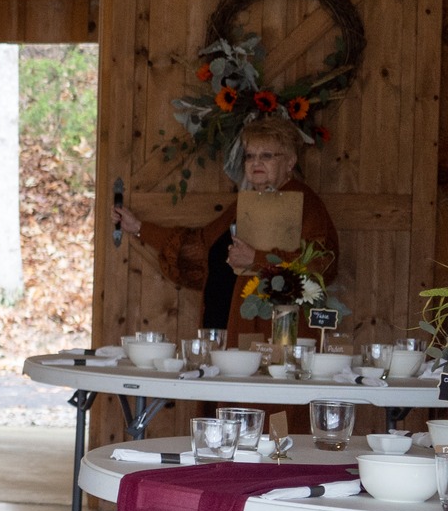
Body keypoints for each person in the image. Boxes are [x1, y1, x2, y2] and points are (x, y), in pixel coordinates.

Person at [112, 115, 338, 344]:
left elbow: (320, 265)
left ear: (290, 162)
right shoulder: (247, 202)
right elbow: (199, 247)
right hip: (228, 325)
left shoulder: (305, 202)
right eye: (250, 156)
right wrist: (139, 228)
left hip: (275, 333)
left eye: (266, 156)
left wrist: (256, 259)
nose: (256, 163)